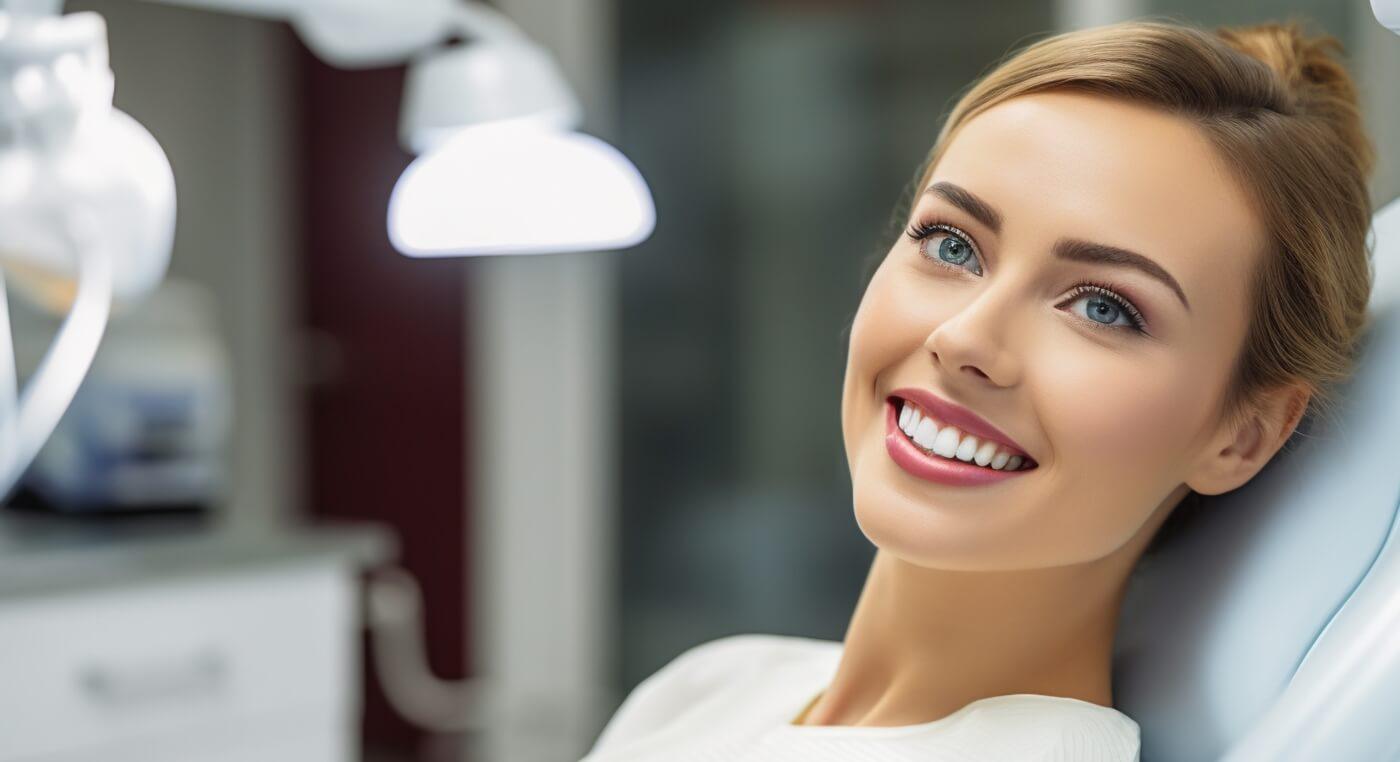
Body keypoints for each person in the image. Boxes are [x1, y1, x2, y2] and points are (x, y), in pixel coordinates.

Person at [580, 15, 1376, 762]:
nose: (963, 339)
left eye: (1104, 307)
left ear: (1244, 435)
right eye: (952, 244)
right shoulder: (715, 687)